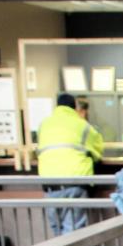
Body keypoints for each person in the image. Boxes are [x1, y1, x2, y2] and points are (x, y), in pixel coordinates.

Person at [36, 93, 104, 236]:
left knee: (57, 232)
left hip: (49, 184)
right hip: (75, 181)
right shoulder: (82, 125)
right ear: (74, 107)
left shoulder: (44, 124)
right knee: (73, 233)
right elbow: (98, 150)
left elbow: (39, 150)